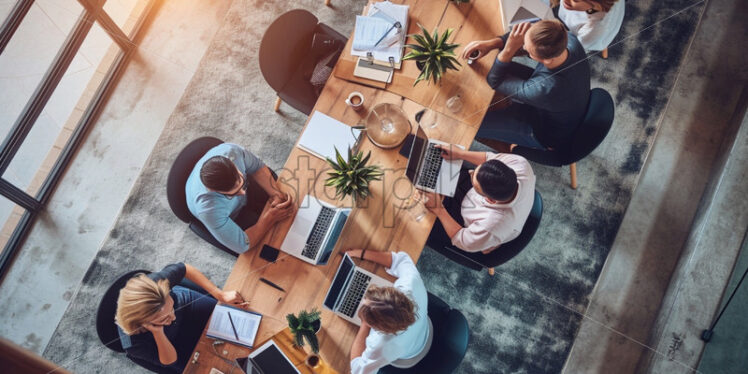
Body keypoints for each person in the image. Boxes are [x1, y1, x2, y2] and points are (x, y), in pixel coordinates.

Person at [462, 20, 590, 150]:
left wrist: (509, 49)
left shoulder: (545, 89)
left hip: (544, 129)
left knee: (470, 125)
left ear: (547, 60)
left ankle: (512, 149)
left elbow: (495, 81)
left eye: (528, 51)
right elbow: (527, 33)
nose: (523, 47)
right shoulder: (568, 39)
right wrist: (492, 44)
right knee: (493, 65)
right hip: (562, 100)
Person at [115, 263, 245, 372]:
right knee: (212, 366)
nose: (172, 317)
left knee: (237, 320)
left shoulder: (155, 283)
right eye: (164, 318)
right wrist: (158, 332)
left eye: (171, 307)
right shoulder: (133, 344)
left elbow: (184, 268)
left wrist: (220, 294)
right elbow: (170, 361)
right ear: (143, 323)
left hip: (186, 307)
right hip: (170, 343)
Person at [419, 145, 535, 254]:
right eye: (475, 170)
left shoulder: (491, 227)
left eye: (475, 184)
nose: (471, 172)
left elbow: (461, 239)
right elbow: (488, 157)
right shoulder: (520, 164)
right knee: (438, 168)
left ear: (490, 200)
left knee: (419, 217)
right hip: (477, 205)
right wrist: (460, 154)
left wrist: (439, 209)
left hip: (466, 224)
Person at [185, 143, 293, 254]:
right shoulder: (208, 209)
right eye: (233, 193)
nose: (242, 192)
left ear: (234, 165)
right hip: (232, 217)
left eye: (242, 184)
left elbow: (256, 167)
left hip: (247, 189)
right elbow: (243, 245)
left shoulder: (233, 152)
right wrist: (269, 218)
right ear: (213, 191)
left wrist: (275, 193)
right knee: (270, 245)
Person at [345, 249, 431, 374]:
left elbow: (357, 370)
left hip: (411, 354)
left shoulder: (381, 346)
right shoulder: (410, 282)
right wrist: (361, 253)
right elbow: (399, 260)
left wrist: (364, 325)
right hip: (424, 328)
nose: (361, 301)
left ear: (379, 328)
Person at [555, 0, 625, 53]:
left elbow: (579, 45)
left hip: (587, 39)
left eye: (575, 0)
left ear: (597, 5)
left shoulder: (595, 28)